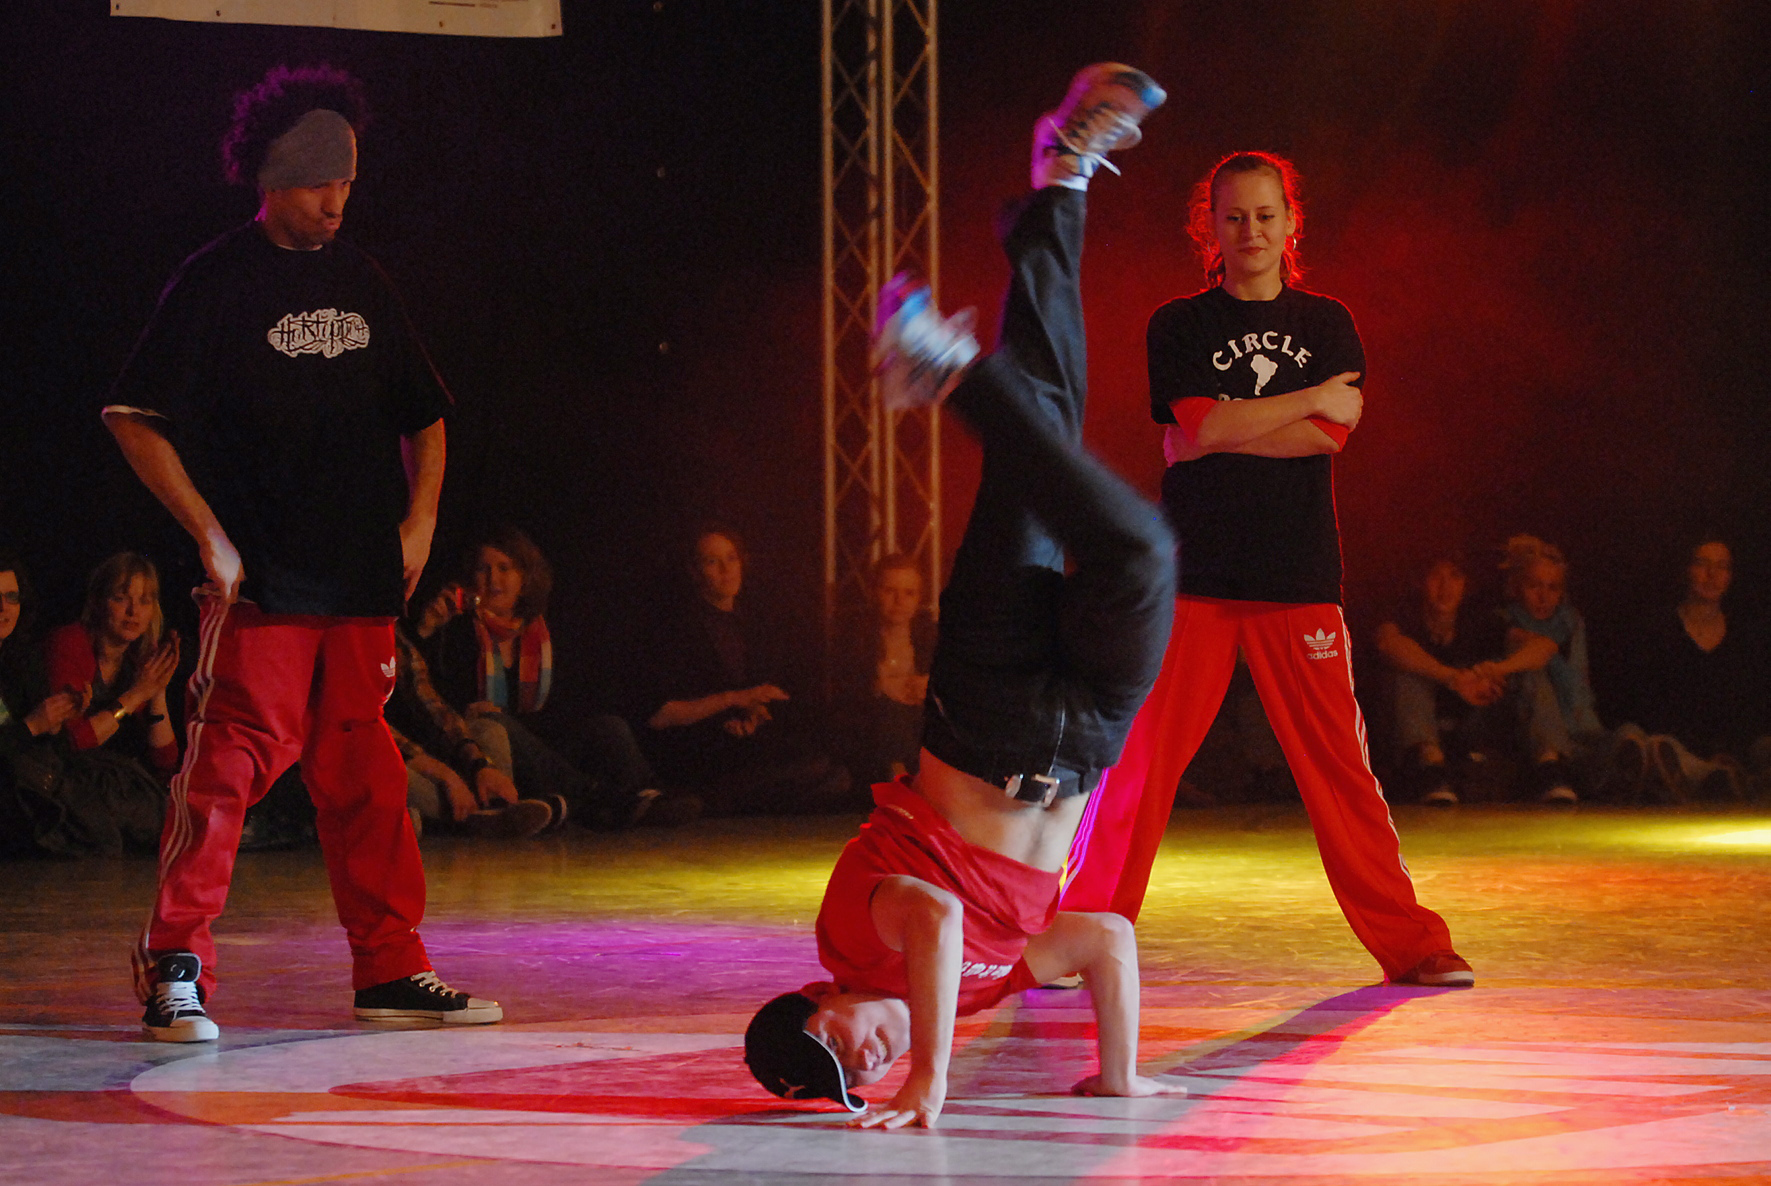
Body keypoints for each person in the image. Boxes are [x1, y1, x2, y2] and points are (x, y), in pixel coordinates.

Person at [744, 65, 1182, 1129]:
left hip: (984, 709)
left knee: (1075, 473)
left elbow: (938, 919)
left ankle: (953, 366)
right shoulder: (978, 994)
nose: (866, 1058)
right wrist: (1118, 1074)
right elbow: (1104, 940)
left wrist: (930, 1080)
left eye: (836, 1046)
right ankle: (1057, 186)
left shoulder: (853, 938)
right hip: (1085, 734)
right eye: (856, 1079)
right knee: (1118, 524)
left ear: (819, 998)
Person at [102, 64, 500, 1042]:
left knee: (367, 778)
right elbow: (133, 416)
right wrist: (209, 534)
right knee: (225, 770)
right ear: (274, 177)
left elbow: (425, 414)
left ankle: (391, 967)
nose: (336, 201)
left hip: (359, 577)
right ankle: (176, 967)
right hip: (266, 581)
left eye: (347, 183)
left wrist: (421, 521)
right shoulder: (216, 280)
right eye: (320, 181)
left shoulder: (362, 279)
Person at [1057, 151, 1472, 988]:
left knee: (1341, 774)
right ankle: (1075, 935)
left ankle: (1413, 944)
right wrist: (1302, 400)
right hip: (1193, 580)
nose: (1249, 230)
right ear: (1208, 227)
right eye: (1233, 216)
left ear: (1290, 223)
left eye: (1264, 215)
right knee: (1136, 768)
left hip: (1297, 579)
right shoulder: (1178, 324)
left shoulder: (1327, 323)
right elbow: (1206, 427)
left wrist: (1217, 432)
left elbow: (1320, 437)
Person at [418, 526, 695, 829]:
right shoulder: (458, 629)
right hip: (492, 751)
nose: (493, 579)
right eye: (483, 569)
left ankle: (648, 796)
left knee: (609, 727)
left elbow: (569, 704)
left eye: (504, 568)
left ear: (524, 579)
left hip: (543, 741)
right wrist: (428, 629)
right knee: (497, 722)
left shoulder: (544, 633)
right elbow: (434, 699)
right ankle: (604, 801)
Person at [634, 527, 850, 816]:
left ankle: (733, 802)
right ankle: (710, 800)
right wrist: (732, 701)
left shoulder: (751, 622)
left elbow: (759, 691)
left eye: (731, 558)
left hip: (742, 743)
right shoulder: (675, 629)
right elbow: (660, 715)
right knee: (817, 771)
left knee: (834, 773)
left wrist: (754, 714)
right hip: (698, 747)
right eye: (712, 562)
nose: (726, 570)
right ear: (694, 571)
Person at [1614, 538, 1768, 802]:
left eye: (1722, 566)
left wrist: (1734, 749)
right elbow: (1646, 705)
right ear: (1686, 569)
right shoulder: (1659, 630)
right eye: (1702, 564)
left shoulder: (1746, 635)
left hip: (1738, 749)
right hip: (1678, 747)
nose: (1712, 575)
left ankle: (1742, 782)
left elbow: (1753, 708)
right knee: (1658, 748)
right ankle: (1716, 780)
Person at [1373, 557, 1513, 806]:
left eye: (1455, 577)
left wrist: (1496, 671)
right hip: (1404, 735)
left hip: (1465, 726)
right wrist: (1453, 678)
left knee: (1513, 680)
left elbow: (1542, 645)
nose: (1445, 587)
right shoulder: (1403, 614)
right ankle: (1431, 766)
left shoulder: (1479, 621)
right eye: (1436, 576)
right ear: (1421, 581)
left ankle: (1551, 769)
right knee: (1407, 675)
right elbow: (1388, 644)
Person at [45, 553, 181, 781]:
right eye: (120, 599)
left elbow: (166, 760)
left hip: (112, 783)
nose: (133, 611)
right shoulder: (69, 642)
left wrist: (157, 690)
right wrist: (136, 694)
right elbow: (72, 742)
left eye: (144, 601)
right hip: (66, 780)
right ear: (98, 602)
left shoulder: (139, 657)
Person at [1495, 534, 1607, 803]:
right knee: (1533, 670)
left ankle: (1703, 772)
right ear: (1517, 587)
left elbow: (1580, 686)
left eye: (1553, 588)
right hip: (1520, 730)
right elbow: (1538, 651)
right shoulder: (1503, 621)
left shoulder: (1571, 623)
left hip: (1576, 728)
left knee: (1631, 737)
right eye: (1534, 586)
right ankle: (1551, 767)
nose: (1543, 597)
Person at [0, 553, 83, 856]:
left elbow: (56, 751)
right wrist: (33, 726)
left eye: (12, 597)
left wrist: (57, 720)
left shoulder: (22, 659)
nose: (3, 608)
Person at [832, 554, 937, 786]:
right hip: (871, 729)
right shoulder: (854, 636)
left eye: (909, 593)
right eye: (890, 591)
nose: (899, 601)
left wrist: (929, 685)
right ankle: (897, 775)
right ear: (874, 592)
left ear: (919, 598)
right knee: (889, 710)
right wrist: (882, 688)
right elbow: (844, 694)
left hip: (921, 727)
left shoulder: (931, 635)